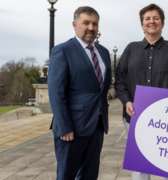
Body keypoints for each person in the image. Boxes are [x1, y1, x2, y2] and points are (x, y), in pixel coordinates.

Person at [115, 3, 168, 180]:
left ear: (162, 23)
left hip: (167, 120)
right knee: (140, 169)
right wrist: (126, 101)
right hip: (135, 117)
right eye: (147, 18)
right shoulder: (130, 49)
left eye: (156, 18)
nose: (151, 21)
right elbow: (120, 80)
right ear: (142, 24)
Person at [48, 6, 111, 180]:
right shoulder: (62, 51)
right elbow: (56, 93)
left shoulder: (104, 53)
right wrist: (64, 126)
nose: (91, 27)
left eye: (95, 24)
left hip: (97, 126)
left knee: (90, 174)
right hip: (72, 129)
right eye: (86, 23)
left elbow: (102, 89)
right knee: (67, 174)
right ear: (75, 25)